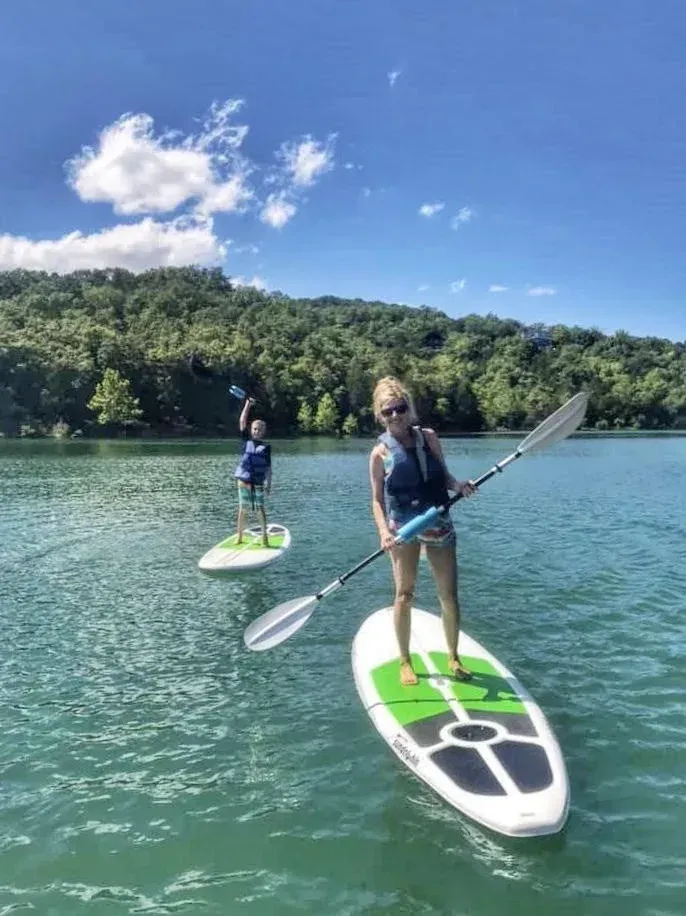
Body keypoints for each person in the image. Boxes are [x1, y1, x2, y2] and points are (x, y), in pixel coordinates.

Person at [369, 376, 476, 687]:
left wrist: (459, 485)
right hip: (402, 527)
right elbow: (376, 500)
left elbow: (442, 475)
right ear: (380, 415)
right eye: (387, 412)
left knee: (449, 595)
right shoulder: (379, 453)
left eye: (399, 409)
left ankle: (453, 657)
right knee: (404, 594)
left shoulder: (428, 438)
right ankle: (405, 661)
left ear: (408, 409)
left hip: (437, 520)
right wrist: (382, 532)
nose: (395, 416)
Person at [234, 396, 272, 547]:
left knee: (259, 509)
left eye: (259, 430)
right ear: (251, 430)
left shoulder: (266, 447)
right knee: (243, 509)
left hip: (257, 482)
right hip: (243, 481)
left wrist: (269, 482)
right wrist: (247, 405)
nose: (256, 431)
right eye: (255, 429)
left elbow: (268, 467)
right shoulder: (246, 441)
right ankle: (239, 537)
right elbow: (242, 421)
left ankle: (264, 537)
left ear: (263, 432)